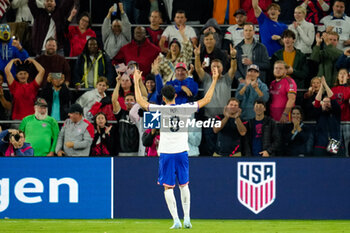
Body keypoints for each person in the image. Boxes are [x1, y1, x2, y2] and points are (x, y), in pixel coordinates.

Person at [134, 65, 219, 229]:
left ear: (164, 99)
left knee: (168, 187)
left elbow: (141, 102)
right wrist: (214, 80)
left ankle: (176, 220)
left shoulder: (159, 109)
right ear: (175, 95)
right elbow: (206, 99)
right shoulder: (184, 108)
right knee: (184, 185)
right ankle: (187, 218)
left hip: (166, 153)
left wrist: (137, 81)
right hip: (182, 152)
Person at [194, 44, 237, 156]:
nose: (216, 69)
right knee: (210, 148)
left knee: (225, 148)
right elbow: (198, 68)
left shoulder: (227, 79)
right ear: (210, 68)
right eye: (213, 67)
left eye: (218, 66)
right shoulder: (207, 78)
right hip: (209, 119)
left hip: (225, 119)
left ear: (222, 68)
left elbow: (233, 69)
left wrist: (233, 57)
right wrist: (197, 56)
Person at [313, 76, 343, 156]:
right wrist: (321, 88)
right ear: (322, 103)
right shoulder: (319, 113)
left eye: (328, 102)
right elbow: (316, 102)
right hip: (320, 143)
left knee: (334, 165)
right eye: (325, 102)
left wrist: (325, 85)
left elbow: (333, 99)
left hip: (334, 143)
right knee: (319, 165)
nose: (326, 103)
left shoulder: (336, 112)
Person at [112, 77, 139, 156]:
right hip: (122, 152)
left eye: (131, 100)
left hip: (137, 152)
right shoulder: (121, 114)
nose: (129, 102)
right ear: (124, 102)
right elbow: (114, 100)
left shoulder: (139, 114)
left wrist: (137, 82)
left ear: (135, 102)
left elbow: (144, 96)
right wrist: (118, 83)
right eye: (127, 100)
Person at [331, 68, 350, 155]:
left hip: (347, 120)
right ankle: (332, 162)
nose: (342, 75)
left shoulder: (349, 88)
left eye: (344, 74)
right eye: (340, 74)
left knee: (347, 144)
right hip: (335, 121)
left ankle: (347, 161)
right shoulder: (333, 89)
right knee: (334, 145)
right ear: (338, 77)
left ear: (348, 76)